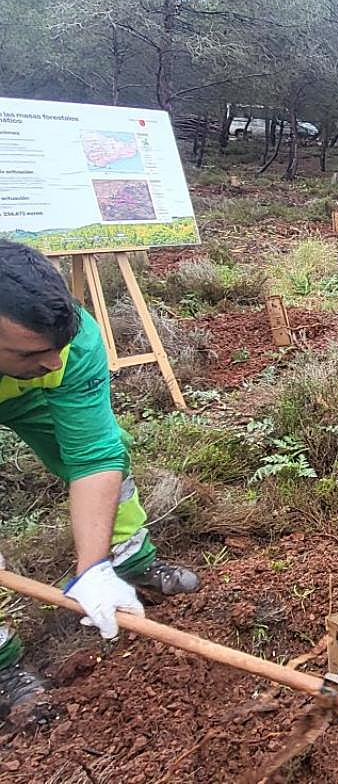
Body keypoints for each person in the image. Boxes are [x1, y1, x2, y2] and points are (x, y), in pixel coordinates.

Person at [0, 241, 200, 721]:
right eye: (36, 351)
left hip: (21, 392)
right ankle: (3, 664)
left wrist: (92, 570)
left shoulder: (73, 343)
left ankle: (127, 559)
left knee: (110, 461)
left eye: (59, 348)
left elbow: (93, 456)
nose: (54, 361)